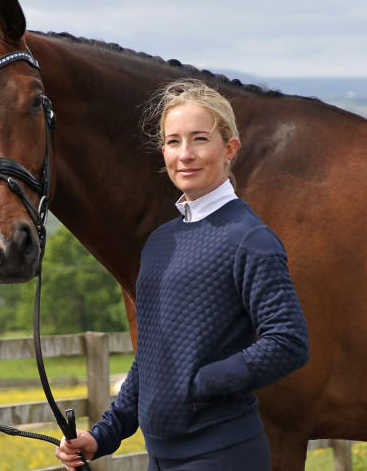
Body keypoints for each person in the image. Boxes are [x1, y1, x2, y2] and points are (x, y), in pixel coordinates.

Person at [55, 79, 309, 470]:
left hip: (223, 454)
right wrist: (102, 435)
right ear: (164, 153)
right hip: (161, 457)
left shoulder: (250, 238)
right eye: (174, 142)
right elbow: (151, 358)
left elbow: (289, 340)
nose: (185, 154)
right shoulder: (161, 242)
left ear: (229, 149)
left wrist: (205, 382)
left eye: (199, 140)